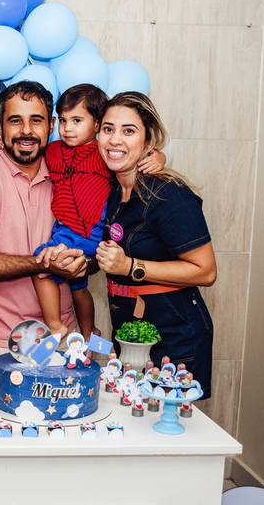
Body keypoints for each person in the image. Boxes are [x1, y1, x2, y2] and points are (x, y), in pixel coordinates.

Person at [94, 91, 217, 398]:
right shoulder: (111, 188)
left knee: (165, 424)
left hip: (174, 338)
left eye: (128, 131)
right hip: (131, 334)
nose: (115, 140)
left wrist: (130, 267)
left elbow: (206, 272)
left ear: (148, 140)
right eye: (108, 129)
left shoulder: (168, 194)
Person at [0, 80, 86, 349]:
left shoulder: (68, 176)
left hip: (65, 340)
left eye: (36, 120)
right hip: (3, 344)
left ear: (51, 125)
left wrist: (82, 262)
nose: (26, 130)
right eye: (15, 121)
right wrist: (42, 263)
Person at [32, 84, 166, 337]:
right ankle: (88, 333)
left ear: (96, 125)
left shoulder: (103, 152)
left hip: (87, 230)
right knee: (78, 286)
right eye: (63, 120)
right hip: (64, 227)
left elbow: (136, 152)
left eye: (77, 121)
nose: (67, 128)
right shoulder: (53, 151)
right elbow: (30, 151)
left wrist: (159, 157)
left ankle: (55, 326)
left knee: (41, 263)